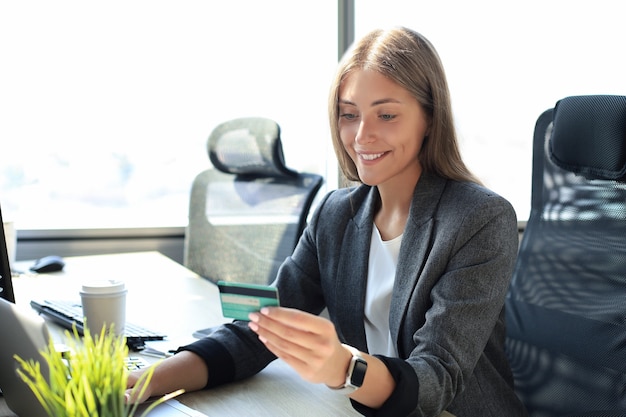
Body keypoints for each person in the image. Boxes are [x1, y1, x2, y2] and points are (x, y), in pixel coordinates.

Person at [127, 26, 528, 417]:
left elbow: (436, 379)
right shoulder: (335, 214)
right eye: (349, 115)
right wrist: (144, 382)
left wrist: (344, 367)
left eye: (386, 114)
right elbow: (258, 333)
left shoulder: (479, 219)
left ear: (429, 118)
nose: (361, 136)